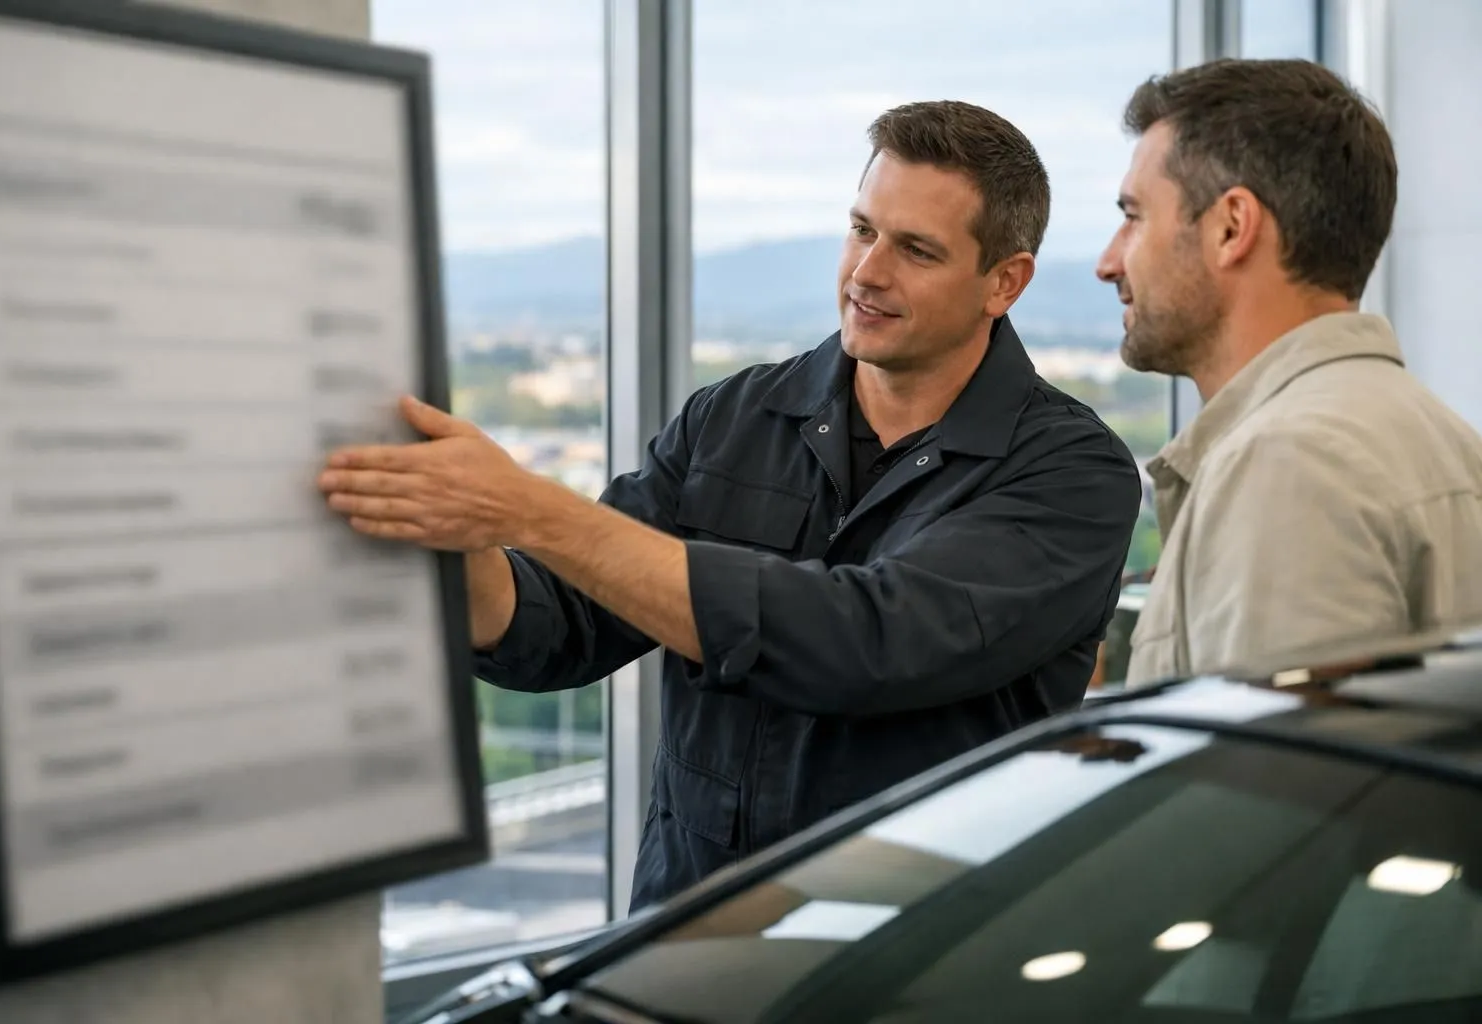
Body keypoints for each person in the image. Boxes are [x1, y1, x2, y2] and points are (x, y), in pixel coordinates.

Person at [320, 100, 1141, 909]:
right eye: (862, 230)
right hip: (686, 939)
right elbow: (558, 626)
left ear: (1005, 281)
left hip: (910, 962)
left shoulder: (1072, 474)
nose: (867, 274)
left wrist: (531, 509)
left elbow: (867, 642)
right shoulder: (734, 415)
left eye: (916, 250)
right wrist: (455, 528)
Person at [1096, 59, 1482, 686]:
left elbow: (1257, 780)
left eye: (1134, 215)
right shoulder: (1444, 440)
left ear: (1231, 227)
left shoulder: (1289, 460)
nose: (1109, 261)